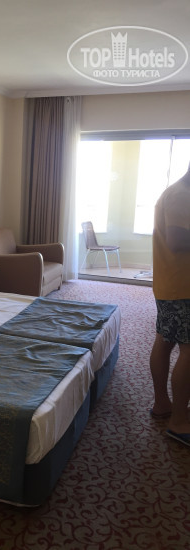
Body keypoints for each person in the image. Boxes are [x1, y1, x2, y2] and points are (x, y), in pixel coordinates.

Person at [149, 163, 190, 447]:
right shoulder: (181, 195)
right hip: (182, 288)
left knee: (164, 341)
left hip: (172, 285)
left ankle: (163, 404)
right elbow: (176, 240)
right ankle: (178, 422)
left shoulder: (177, 193)